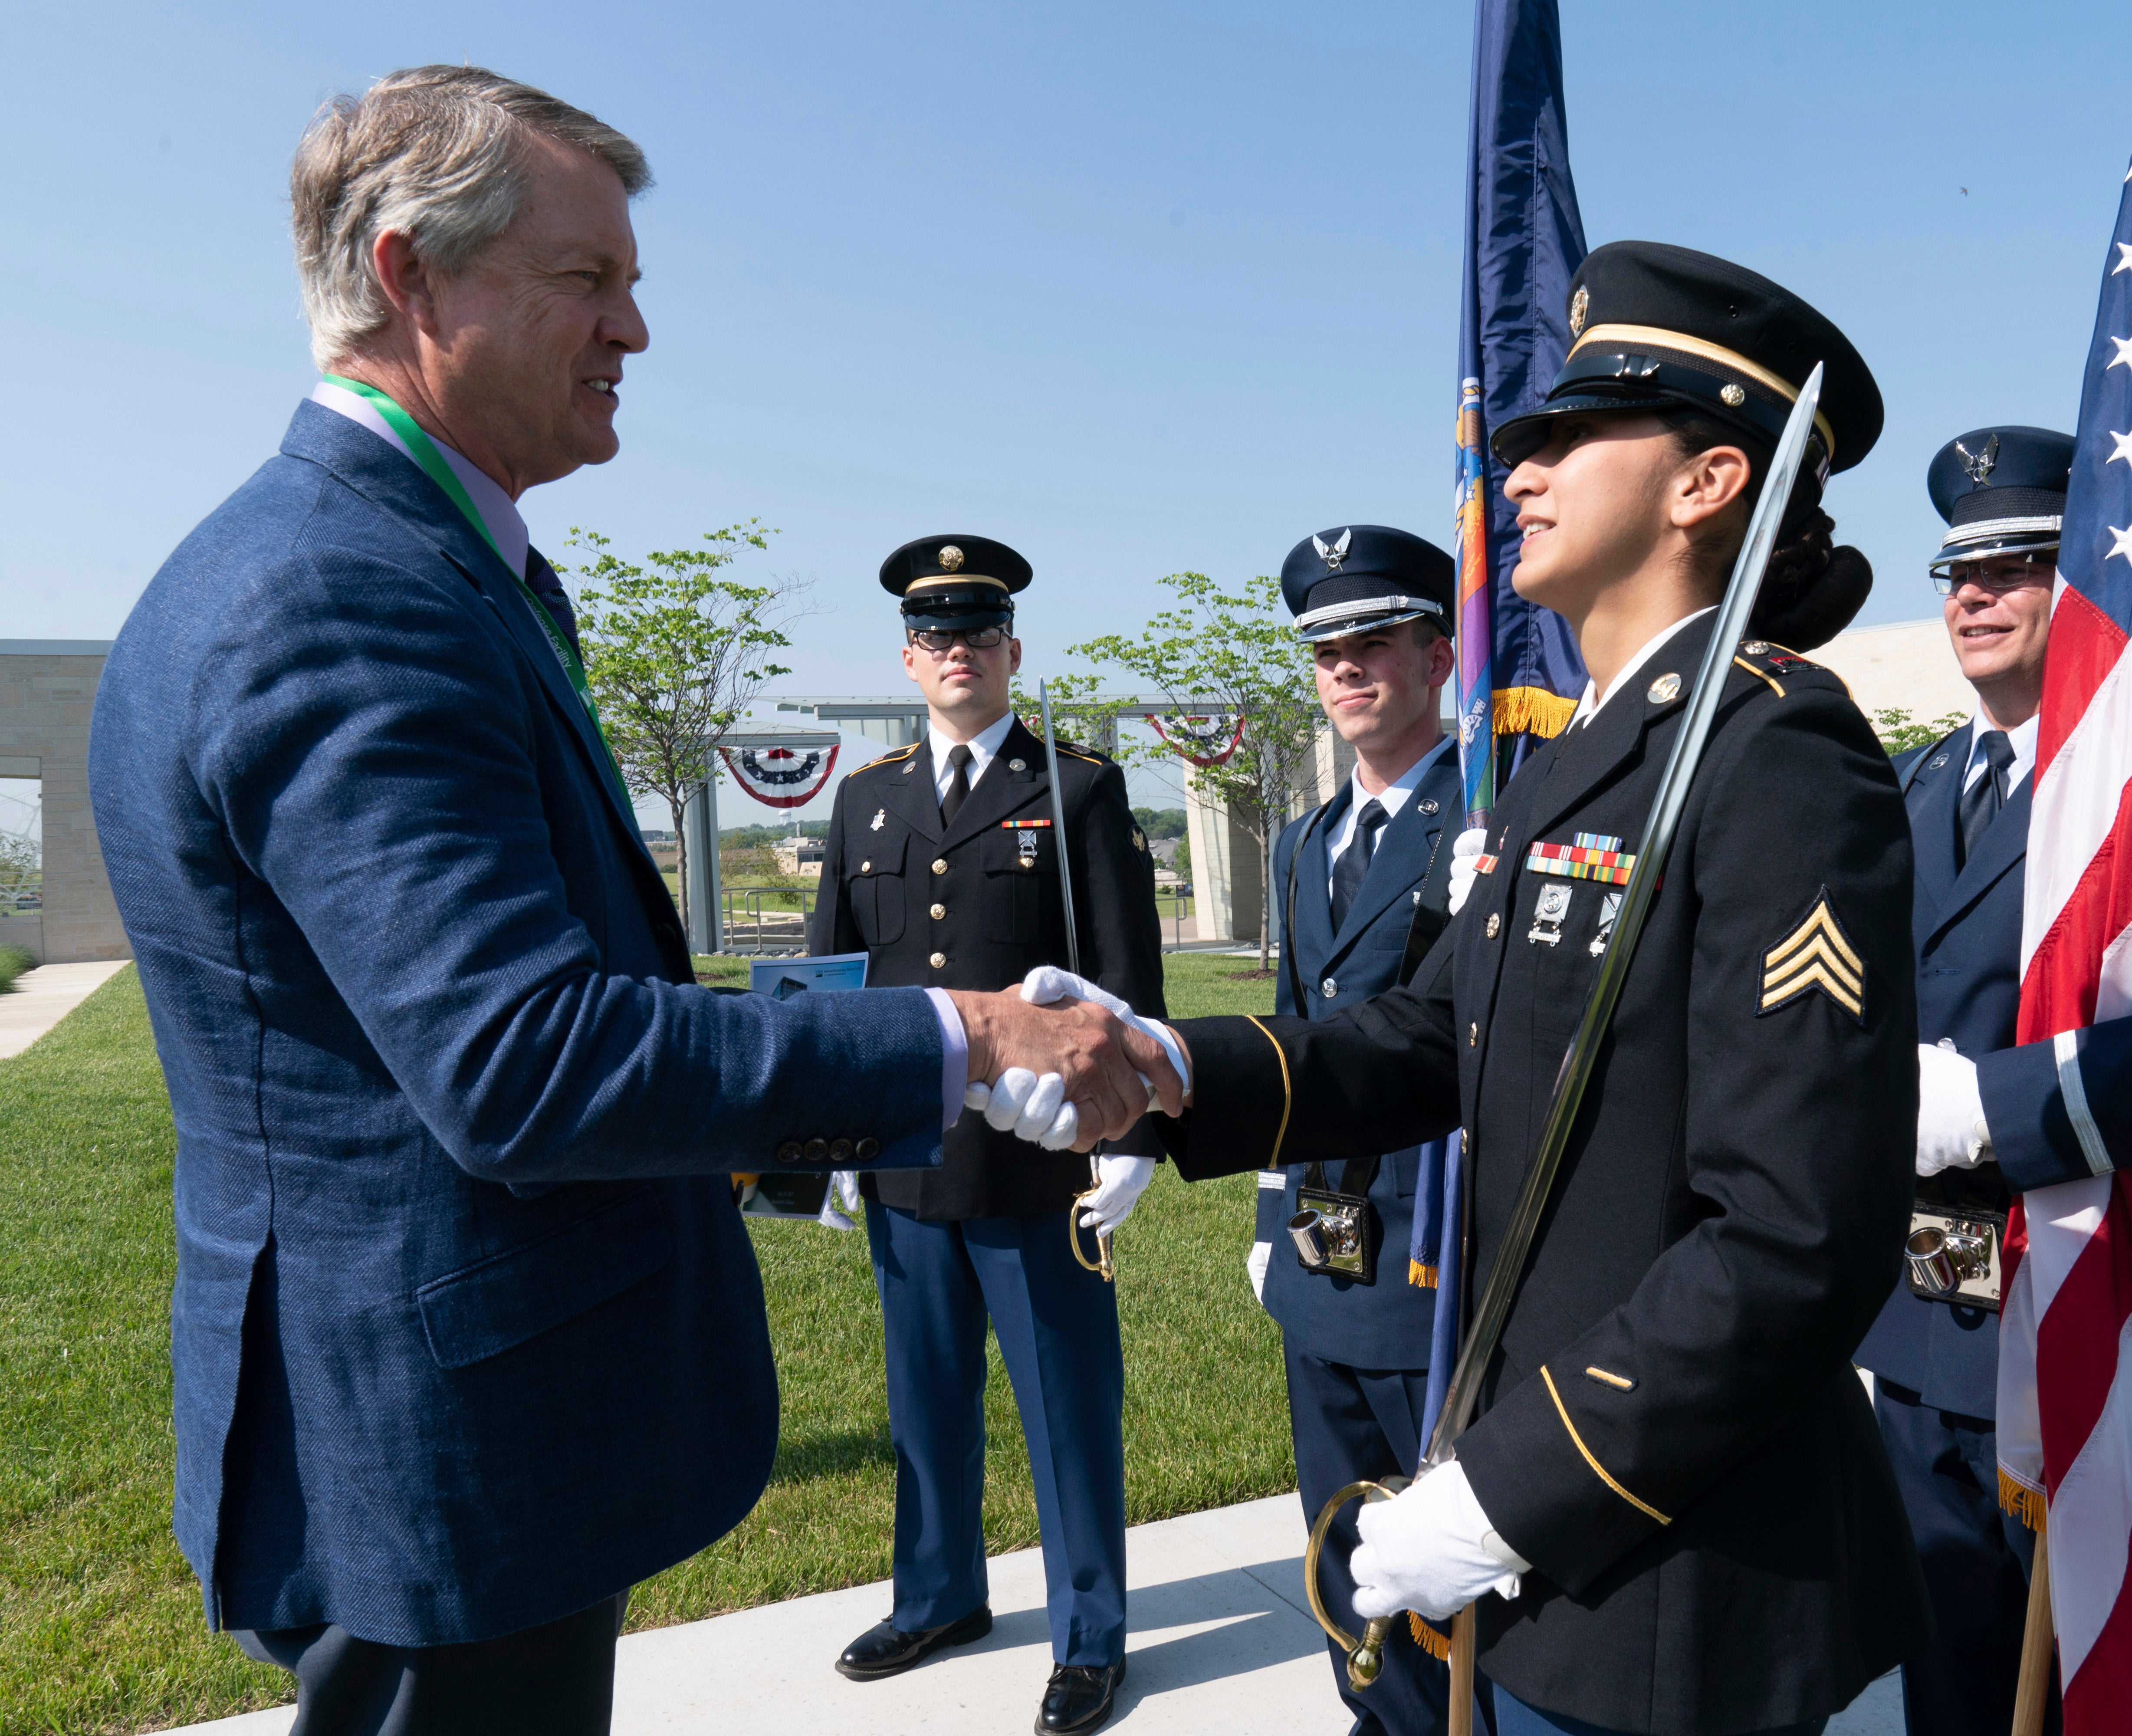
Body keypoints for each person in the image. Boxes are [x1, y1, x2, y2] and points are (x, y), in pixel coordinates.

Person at [87, 68, 1170, 1736]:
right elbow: (525, 1063)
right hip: (438, 1457)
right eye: (589, 282)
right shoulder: (343, 598)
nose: (636, 333)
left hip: (452, 1423)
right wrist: (963, 1032)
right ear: (410, 278)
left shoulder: (433, 568)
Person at [1014, 242, 1932, 1736]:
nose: (1522, 474)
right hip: (1542, 1521)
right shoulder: (1583, 755)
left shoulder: (1777, 755)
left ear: (1707, 484)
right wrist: (1172, 1069)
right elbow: (1439, 1032)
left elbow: (1795, 1234)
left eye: (1572, 437)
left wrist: (1509, 1496)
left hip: (1664, 1553)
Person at [1851, 427, 2132, 1736]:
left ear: (2098, 585)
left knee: (2107, 1690)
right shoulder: (1917, 782)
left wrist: (1989, 1110)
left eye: (2017, 566)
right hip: (1928, 1315)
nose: (1972, 595)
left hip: (2104, 1293)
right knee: (1951, 1681)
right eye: (1956, 569)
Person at [805, 534, 1162, 1736]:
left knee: (1066, 1404)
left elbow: (1127, 981)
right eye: (935, 637)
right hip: (905, 1152)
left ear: (1012, 653)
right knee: (928, 1399)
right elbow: (834, 986)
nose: (957, 654)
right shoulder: (865, 799)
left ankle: (1090, 1633)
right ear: (908, 659)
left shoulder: (1079, 791)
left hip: (1041, 1159)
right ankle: (940, 1596)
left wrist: (1133, 1139)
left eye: (978, 636)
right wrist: (827, 1138)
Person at [1251, 523, 1465, 1736]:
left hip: (1426, 1253)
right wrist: (1273, 1211)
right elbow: (1295, 1035)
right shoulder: (1308, 842)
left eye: (1375, 641)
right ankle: (1373, 1709)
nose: (1346, 670)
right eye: (1327, 650)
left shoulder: (1486, 822)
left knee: (1434, 1535)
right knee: (1335, 1519)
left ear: (1440, 654)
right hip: (1322, 1254)